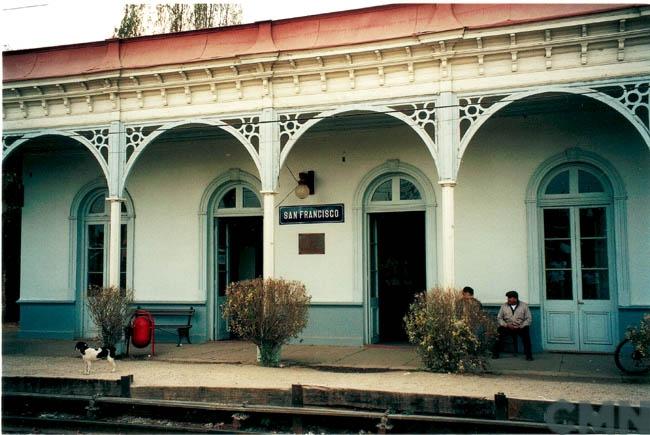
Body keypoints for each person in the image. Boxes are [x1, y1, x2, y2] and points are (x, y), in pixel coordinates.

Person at [493, 290, 533, 361]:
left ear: (515, 299)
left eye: (510, 298)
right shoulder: (504, 306)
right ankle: (495, 354)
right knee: (498, 334)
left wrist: (521, 326)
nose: (508, 300)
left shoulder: (524, 306)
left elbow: (528, 318)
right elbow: (499, 318)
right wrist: (506, 325)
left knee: (526, 337)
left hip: (520, 327)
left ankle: (529, 355)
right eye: (508, 298)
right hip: (508, 326)